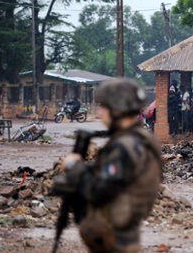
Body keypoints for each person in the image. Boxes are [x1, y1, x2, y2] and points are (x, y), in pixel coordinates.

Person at [60, 78, 163, 252]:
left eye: (103, 108)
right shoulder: (143, 139)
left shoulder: (123, 147)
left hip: (115, 240)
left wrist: (73, 168)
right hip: (126, 233)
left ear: (117, 110)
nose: (99, 114)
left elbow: (100, 191)